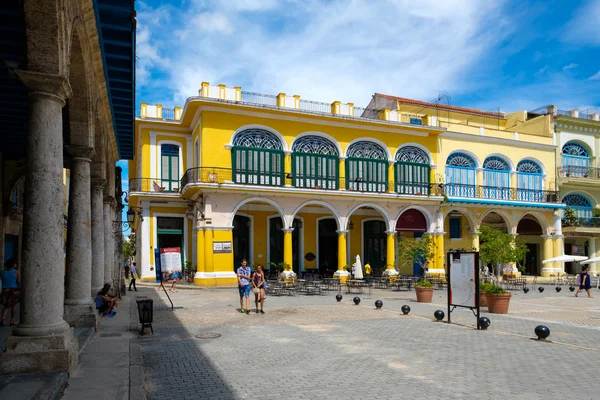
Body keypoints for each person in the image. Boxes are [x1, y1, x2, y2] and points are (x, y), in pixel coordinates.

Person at [1, 258, 20, 326]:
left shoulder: (2, 272)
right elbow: (19, 282)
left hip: (5, 289)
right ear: (13, 265)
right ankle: (12, 320)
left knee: (6, 306)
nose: (16, 265)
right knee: (14, 306)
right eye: (15, 264)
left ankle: (3, 318)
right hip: (14, 290)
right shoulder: (16, 272)